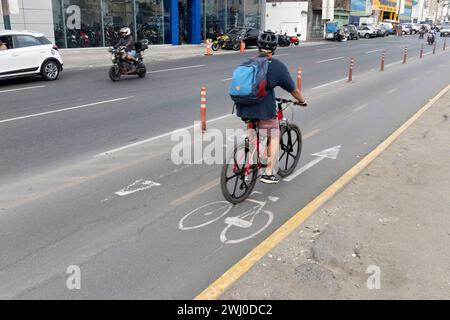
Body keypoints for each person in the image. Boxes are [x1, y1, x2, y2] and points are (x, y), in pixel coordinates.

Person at [235, 31, 306, 184]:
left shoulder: (247, 62)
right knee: (274, 135)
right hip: (263, 110)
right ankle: (268, 173)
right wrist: (302, 101)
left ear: (258, 46)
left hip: (243, 108)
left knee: (253, 134)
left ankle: (248, 162)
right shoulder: (276, 66)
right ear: (274, 49)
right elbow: (293, 90)